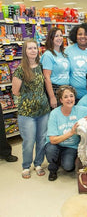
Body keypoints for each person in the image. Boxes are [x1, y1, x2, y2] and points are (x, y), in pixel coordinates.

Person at [45, 85, 87, 181]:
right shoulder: (54, 114)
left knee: (68, 167)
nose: (69, 99)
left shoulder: (79, 110)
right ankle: (53, 169)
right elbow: (53, 140)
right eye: (66, 97)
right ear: (61, 100)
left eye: (71, 96)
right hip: (55, 144)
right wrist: (71, 132)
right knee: (51, 150)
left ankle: (61, 159)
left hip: (71, 146)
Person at [12, 39, 51, 179]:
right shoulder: (20, 70)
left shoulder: (41, 66)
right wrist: (30, 98)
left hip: (43, 111)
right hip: (27, 113)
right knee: (29, 140)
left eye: (35, 48)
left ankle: (39, 163)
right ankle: (26, 166)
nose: (33, 50)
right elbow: (15, 91)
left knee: (41, 139)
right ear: (25, 51)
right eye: (30, 48)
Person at [41, 27, 70, 109]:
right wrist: (52, 97)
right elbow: (46, 77)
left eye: (61, 35)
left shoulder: (63, 54)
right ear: (51, 38)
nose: (59, 38)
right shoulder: (48, 55)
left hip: (66, 89)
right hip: (55, 90)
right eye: (56, 36)